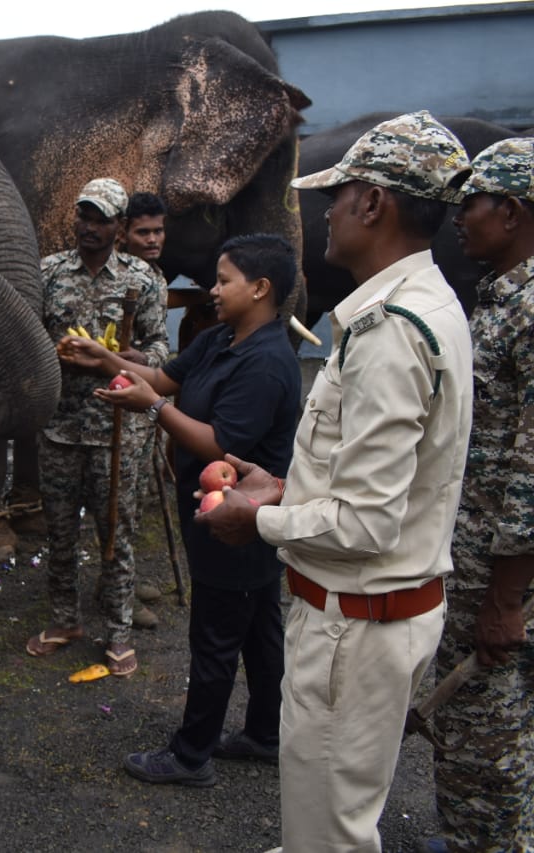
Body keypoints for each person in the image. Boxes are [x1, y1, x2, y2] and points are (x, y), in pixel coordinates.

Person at [198, 111, 474, 851]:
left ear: (374, 204)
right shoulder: (424, 305)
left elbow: (365, 525)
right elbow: (379, 488)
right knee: (324, 821)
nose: (325, 213)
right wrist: (286, 488)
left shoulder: (390, 330)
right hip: (370, 612)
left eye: (338, 195)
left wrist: (254, 518)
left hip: (356, 625)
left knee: (329, 836)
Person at [63, 234, 300, 786]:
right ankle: (268, 733)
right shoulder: (222, 339)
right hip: (222, 516)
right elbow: (165, 378)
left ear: (260, 288)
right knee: (263, 627)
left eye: (223, 281)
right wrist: (107, 361)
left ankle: (191, 755)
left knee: (217, 637)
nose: (212, 290)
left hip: (237, 519)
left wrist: (154, 409)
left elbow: (221, 445)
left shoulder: (266, 362)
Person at [426, 137, 534, 853]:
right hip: (480, 564)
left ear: (515, 210)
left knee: (483, 735)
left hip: (499, 576)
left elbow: (530, 466)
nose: (459, 219)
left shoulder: (529, 311)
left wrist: (505, 596)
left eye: (472, 205)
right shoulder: (502, 299)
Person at [26, 177, 168, 675]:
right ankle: (65, 619)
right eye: (84, 216)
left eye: (101, 219)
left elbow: (159, 350)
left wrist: (123, 359)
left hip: (117, 431)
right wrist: (55, 353)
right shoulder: (48, 273)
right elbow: (27, 334)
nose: (89, 227)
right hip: (61, 426)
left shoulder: (143, 281)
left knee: (116, 534)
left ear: (120, 226)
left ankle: (118, 631)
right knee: (60, 531)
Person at [117, 190, 170, 615]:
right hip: (110, 407)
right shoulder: (116, 278)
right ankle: (116, 592)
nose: (153, 239)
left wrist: (148, 359)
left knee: (134, 501)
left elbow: (158, 343)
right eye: (143, 232)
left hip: (144, 404)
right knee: (115, 505)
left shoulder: (156, 278)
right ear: (123, 234)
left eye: (158, 231)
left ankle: (123, 581)